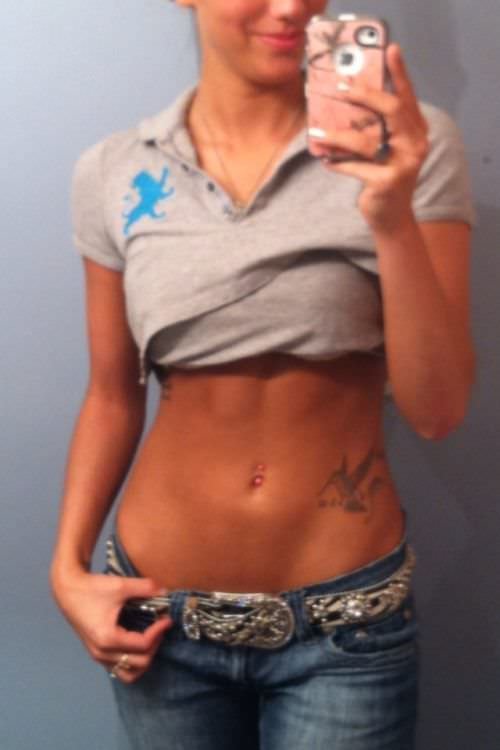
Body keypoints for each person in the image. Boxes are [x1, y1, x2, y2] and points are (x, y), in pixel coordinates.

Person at [50, 1, 476, 748]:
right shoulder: (115, 169)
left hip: (346, 632)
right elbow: (112, 395)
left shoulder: (413, 145)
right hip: (159, 623)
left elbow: (438, 410)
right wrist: (67, 571)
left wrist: (390, 216)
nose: (291, 7)